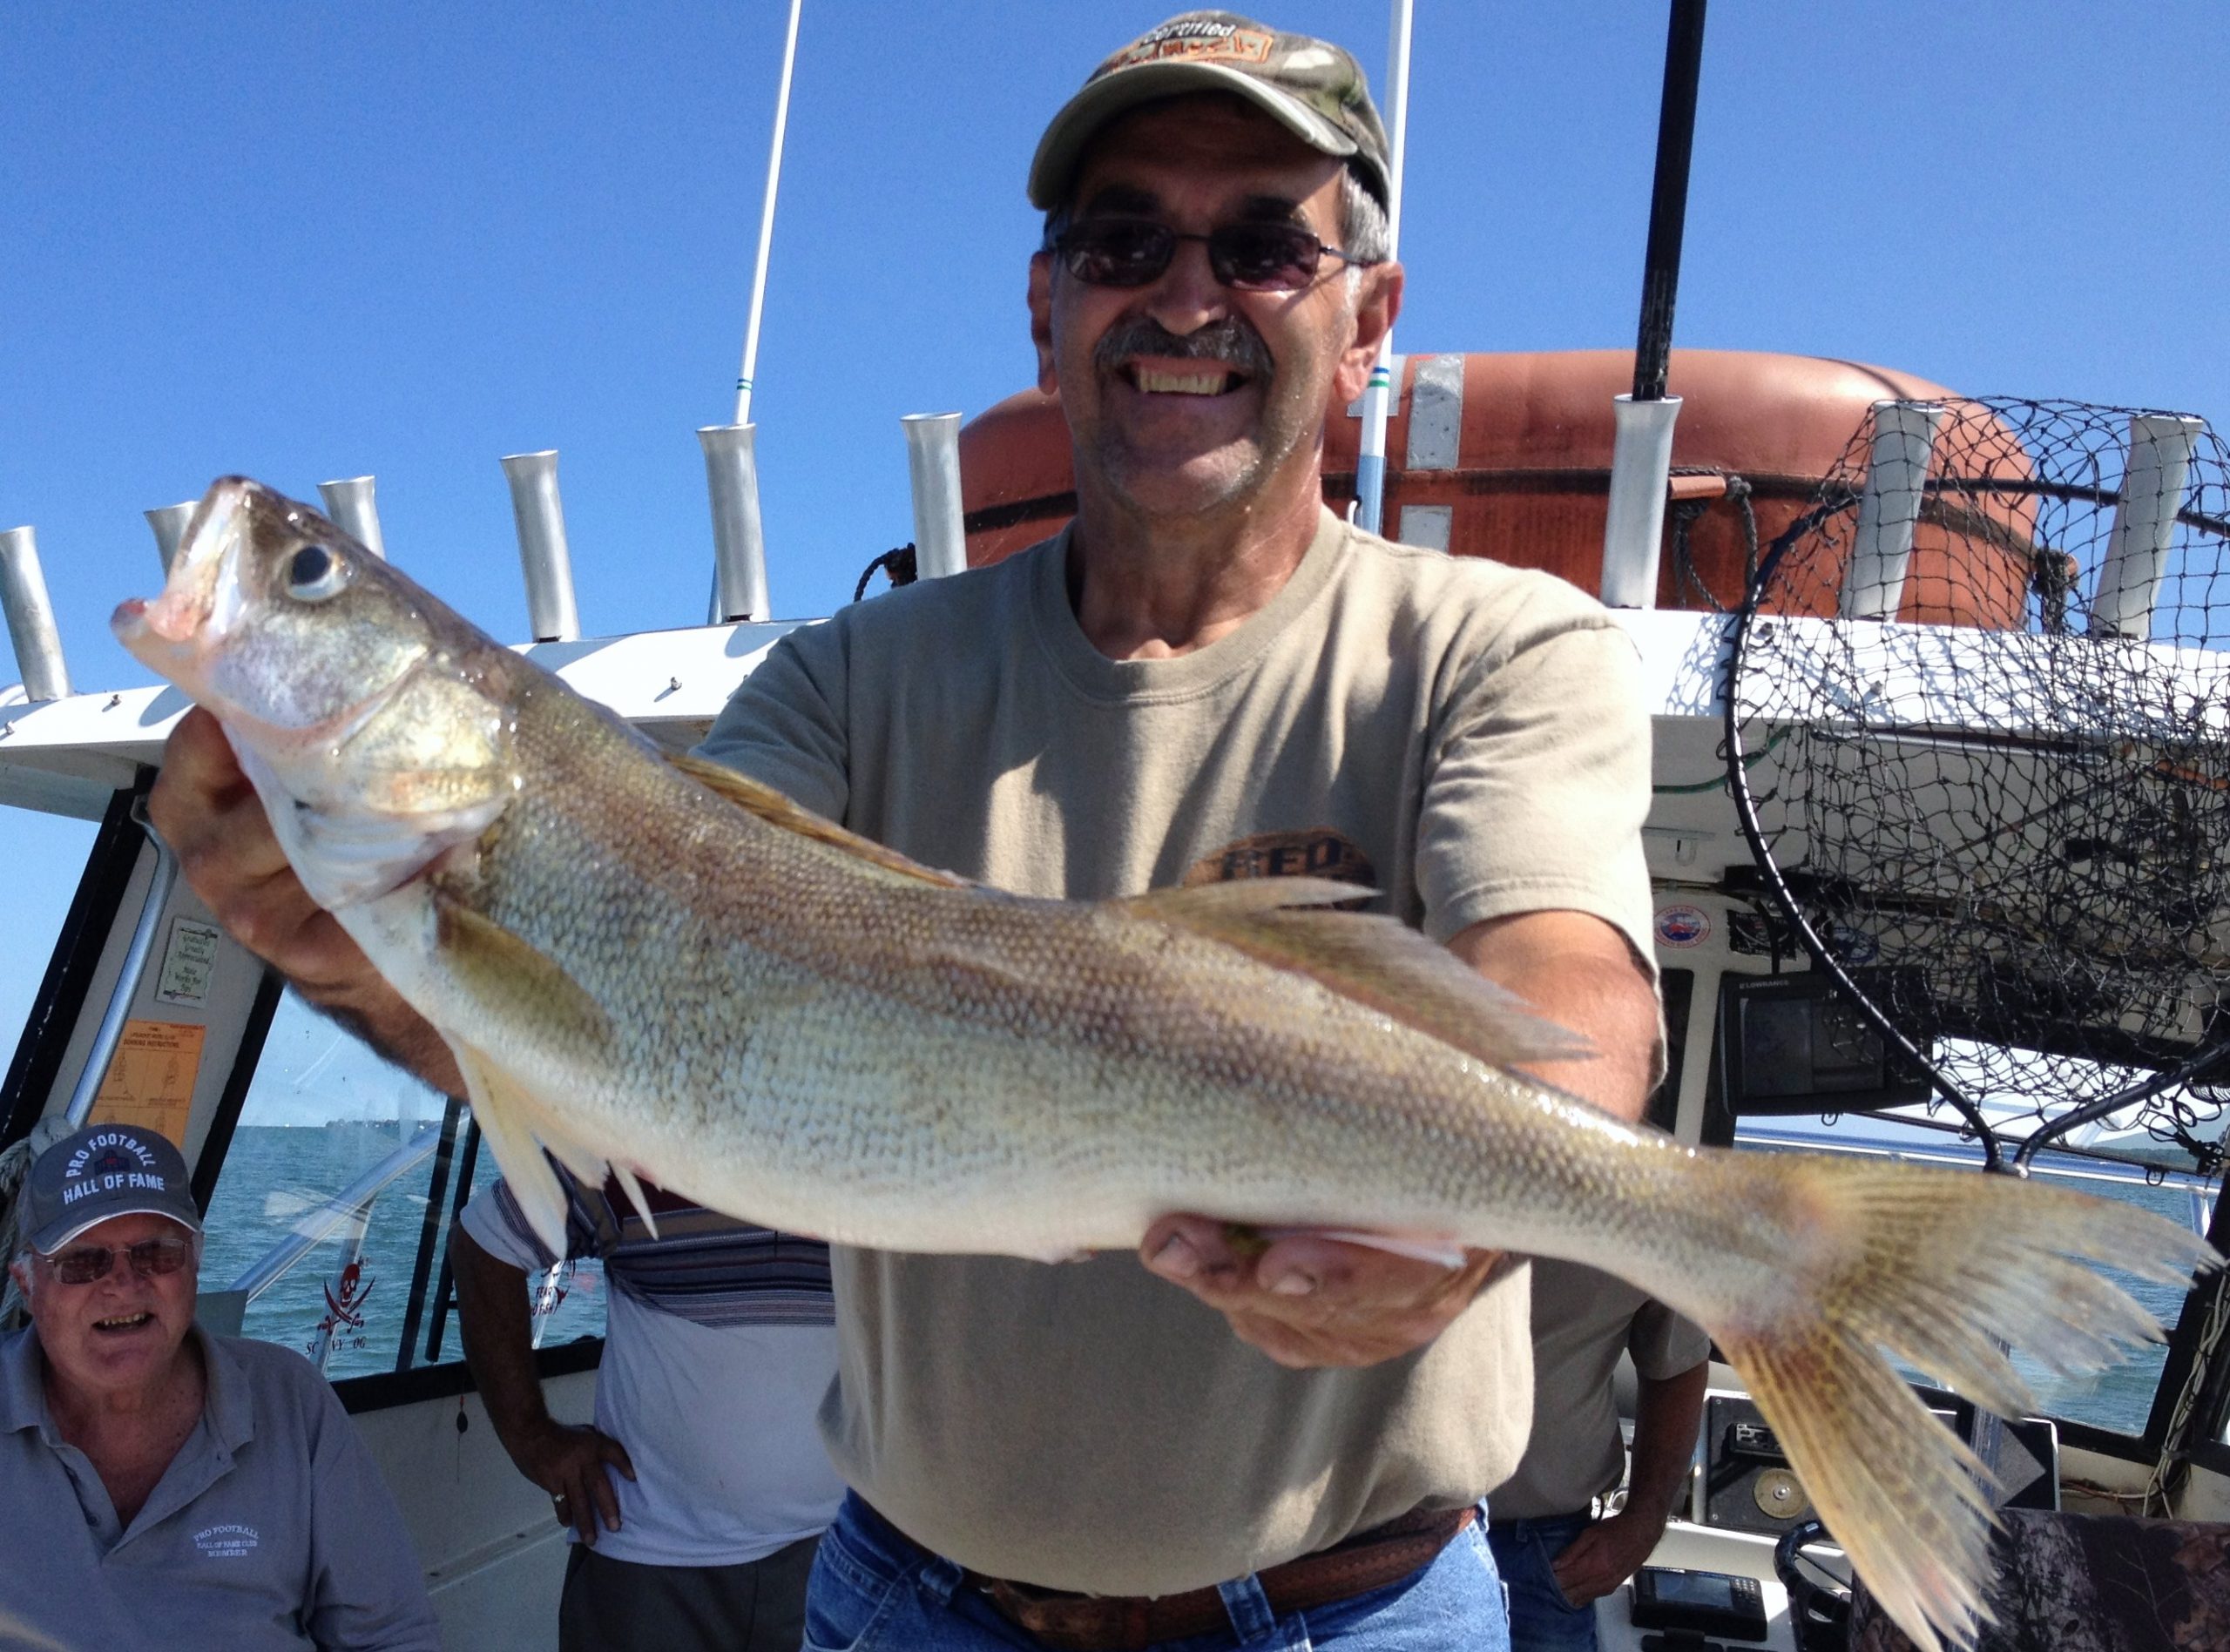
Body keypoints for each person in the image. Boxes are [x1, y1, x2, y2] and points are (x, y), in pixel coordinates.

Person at [147, 11, 1665, 1652]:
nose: (1182, 292)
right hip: (911, 1600)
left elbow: (1569, 997)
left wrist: (1480, 1208)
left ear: (1370, 316)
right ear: (1045, 305)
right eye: (1121, 238)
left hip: (1355, 1609)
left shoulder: (1503, 646)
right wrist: (370, 957)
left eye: (1259, 244)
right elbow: (661, 1044)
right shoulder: (845, 679)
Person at [0, 1123, 440, 1651]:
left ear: (196, 1261)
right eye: (82, 1261)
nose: (123, 1284)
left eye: (156, 1253)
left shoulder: (290, 1401)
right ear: (26, 1284)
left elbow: (390, 1637)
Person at [449, 1165, 842, 1652]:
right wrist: (531, 1435)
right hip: (650, 1562)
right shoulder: (629, 1146)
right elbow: (485, 1244)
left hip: (845, 1555)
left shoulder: (876, 1162)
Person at [1485, 1261, 1710, 1651]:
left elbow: (1678, 1368)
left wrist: (1644, 1521)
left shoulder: (1660, 1220)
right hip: (1370, 1533)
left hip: (1545, 1551)